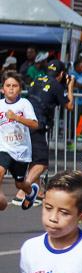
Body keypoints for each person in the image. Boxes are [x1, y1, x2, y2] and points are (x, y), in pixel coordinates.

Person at [23, 60, 74, 205]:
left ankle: (37, 193)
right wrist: (70, 87)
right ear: (62, 74)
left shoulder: (37, 79)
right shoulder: (56, 85)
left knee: (34, 159)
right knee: (42, 162)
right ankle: (22, 190)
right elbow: (69, 105)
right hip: (37, 124)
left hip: (26, 121)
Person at [0, 71, 40, 212]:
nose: (11, 88)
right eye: (8, 85)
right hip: (4, 148)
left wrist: (16, 118)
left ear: (20, 89)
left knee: (20, 184)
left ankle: (31, 192)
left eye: (15, 86)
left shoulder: (24, 104)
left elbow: (35, 124)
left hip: (21, 151)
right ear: (2, 89)